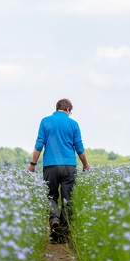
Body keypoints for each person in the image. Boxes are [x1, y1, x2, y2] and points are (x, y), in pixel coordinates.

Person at [27, 98, 91, 244]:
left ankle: (54, 220)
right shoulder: (73, 124)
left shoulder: (45, 121)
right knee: (67, 199)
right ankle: (62, 235)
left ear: (57, 108)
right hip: (69, 165)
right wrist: (86, 164)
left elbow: (39, 144)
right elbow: (79, 147)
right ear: (68, 110)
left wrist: (32, 164)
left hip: (50, 165)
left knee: (51, 196)